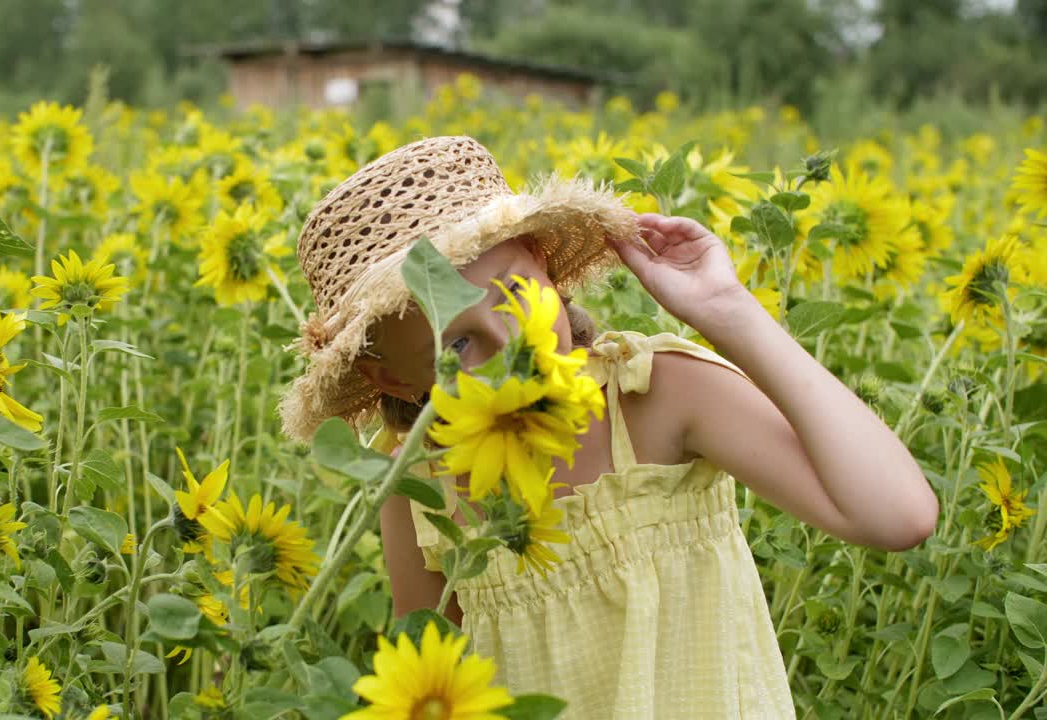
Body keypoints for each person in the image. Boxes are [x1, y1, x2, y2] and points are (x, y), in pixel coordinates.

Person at [278, 135, 938, 718]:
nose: (516, 352)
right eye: (456, 349)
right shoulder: (418, 481)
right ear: (393, 380)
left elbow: (896, 516)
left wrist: (727, 311)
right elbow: (426, 671)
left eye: (515, 298)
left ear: (542, 258)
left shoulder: (656, 395)